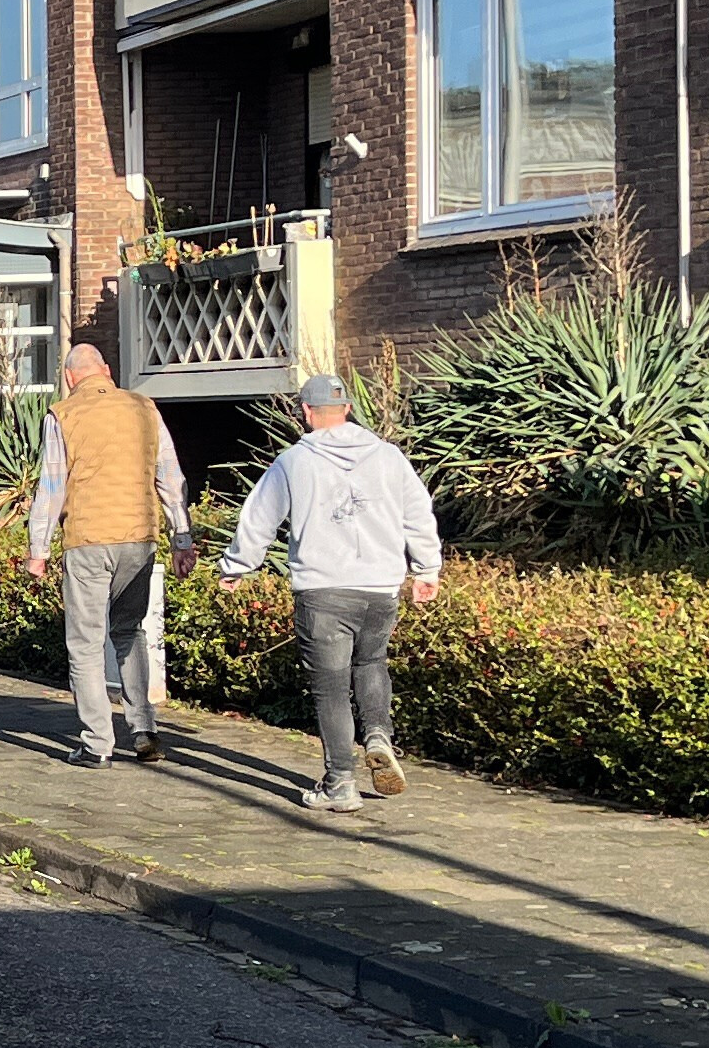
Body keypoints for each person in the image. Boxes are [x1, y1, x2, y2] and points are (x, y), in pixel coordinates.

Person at [222, 374, 443, 813]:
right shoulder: (389, 457)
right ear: (346, 409)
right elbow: (417, 513)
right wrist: (426, 568)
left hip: (323, 589)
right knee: (372, 662)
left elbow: (259, 519)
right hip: (380, 588)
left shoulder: (293, 462)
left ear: (306, 412)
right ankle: (378, 734)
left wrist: (236, 567)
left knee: (330, 688)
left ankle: (341, 783)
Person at [23, 342, 193, 767]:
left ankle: (97, 743)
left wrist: (37, 550)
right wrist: (182, 539)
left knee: (84, 645)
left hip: (88, 540)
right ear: (107, 371)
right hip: (140, 539)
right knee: (129, 631)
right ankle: (144, 730)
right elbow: (171, 478)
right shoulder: (144, 408)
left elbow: (51, 487)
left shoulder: (64, 414)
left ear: (68, 378)